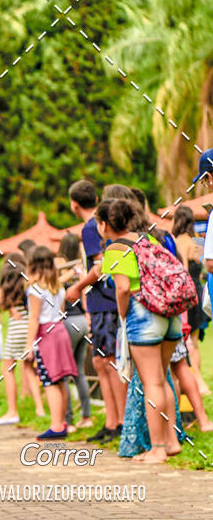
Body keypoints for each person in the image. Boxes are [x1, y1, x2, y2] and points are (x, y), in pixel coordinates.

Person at [97, 198, 183, 463]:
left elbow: (122, 288)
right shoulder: (150, 240)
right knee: (163, 377)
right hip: (170, 314)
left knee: (152, 383)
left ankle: (157, 448)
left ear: (104, 225)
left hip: (144, 315)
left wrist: (124, 314)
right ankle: (171, 441)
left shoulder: (114, 249)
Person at [67, 180, 125, 443]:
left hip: (105, 302)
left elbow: (99, 267)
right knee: (102, 362)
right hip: (102, 304)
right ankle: (111, 421)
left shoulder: (90, 227)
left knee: (109, 362)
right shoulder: (96, 224)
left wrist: (77, 286)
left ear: (73, 203)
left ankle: (120, 421)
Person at [25, 245, 77, 440]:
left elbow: (34, 317)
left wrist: (28, 344)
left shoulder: (35, 289)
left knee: (49, 380)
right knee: (61, 379)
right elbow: (61, 311)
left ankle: (55, 425)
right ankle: (62, 422)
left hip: (46, 335)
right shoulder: (59, 287)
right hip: (60, 331)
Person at [0, 253, 44, 425]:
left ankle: (12, 411)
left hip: (15, 329)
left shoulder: (6, 290)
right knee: (28, 368)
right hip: (28, 328)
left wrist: (8, 304)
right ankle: (39, 409)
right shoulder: (26, 284)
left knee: (8, 368)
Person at [172, 204, 210, 396]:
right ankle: (200, 381)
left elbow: (182, 271)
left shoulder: (179, 242)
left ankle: (198, 383)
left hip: (188, 293)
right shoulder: (197, 241)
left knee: (187, 343)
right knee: (194, 342)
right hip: (200, 291)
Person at [56, 233, 92, 430]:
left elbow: (54, 286)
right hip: (81, 320)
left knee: (64, 373)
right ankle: (86, 417)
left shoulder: (59, 266)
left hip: (67, 322)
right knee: (79, 371)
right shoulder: (81, 268)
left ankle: (67, 419)